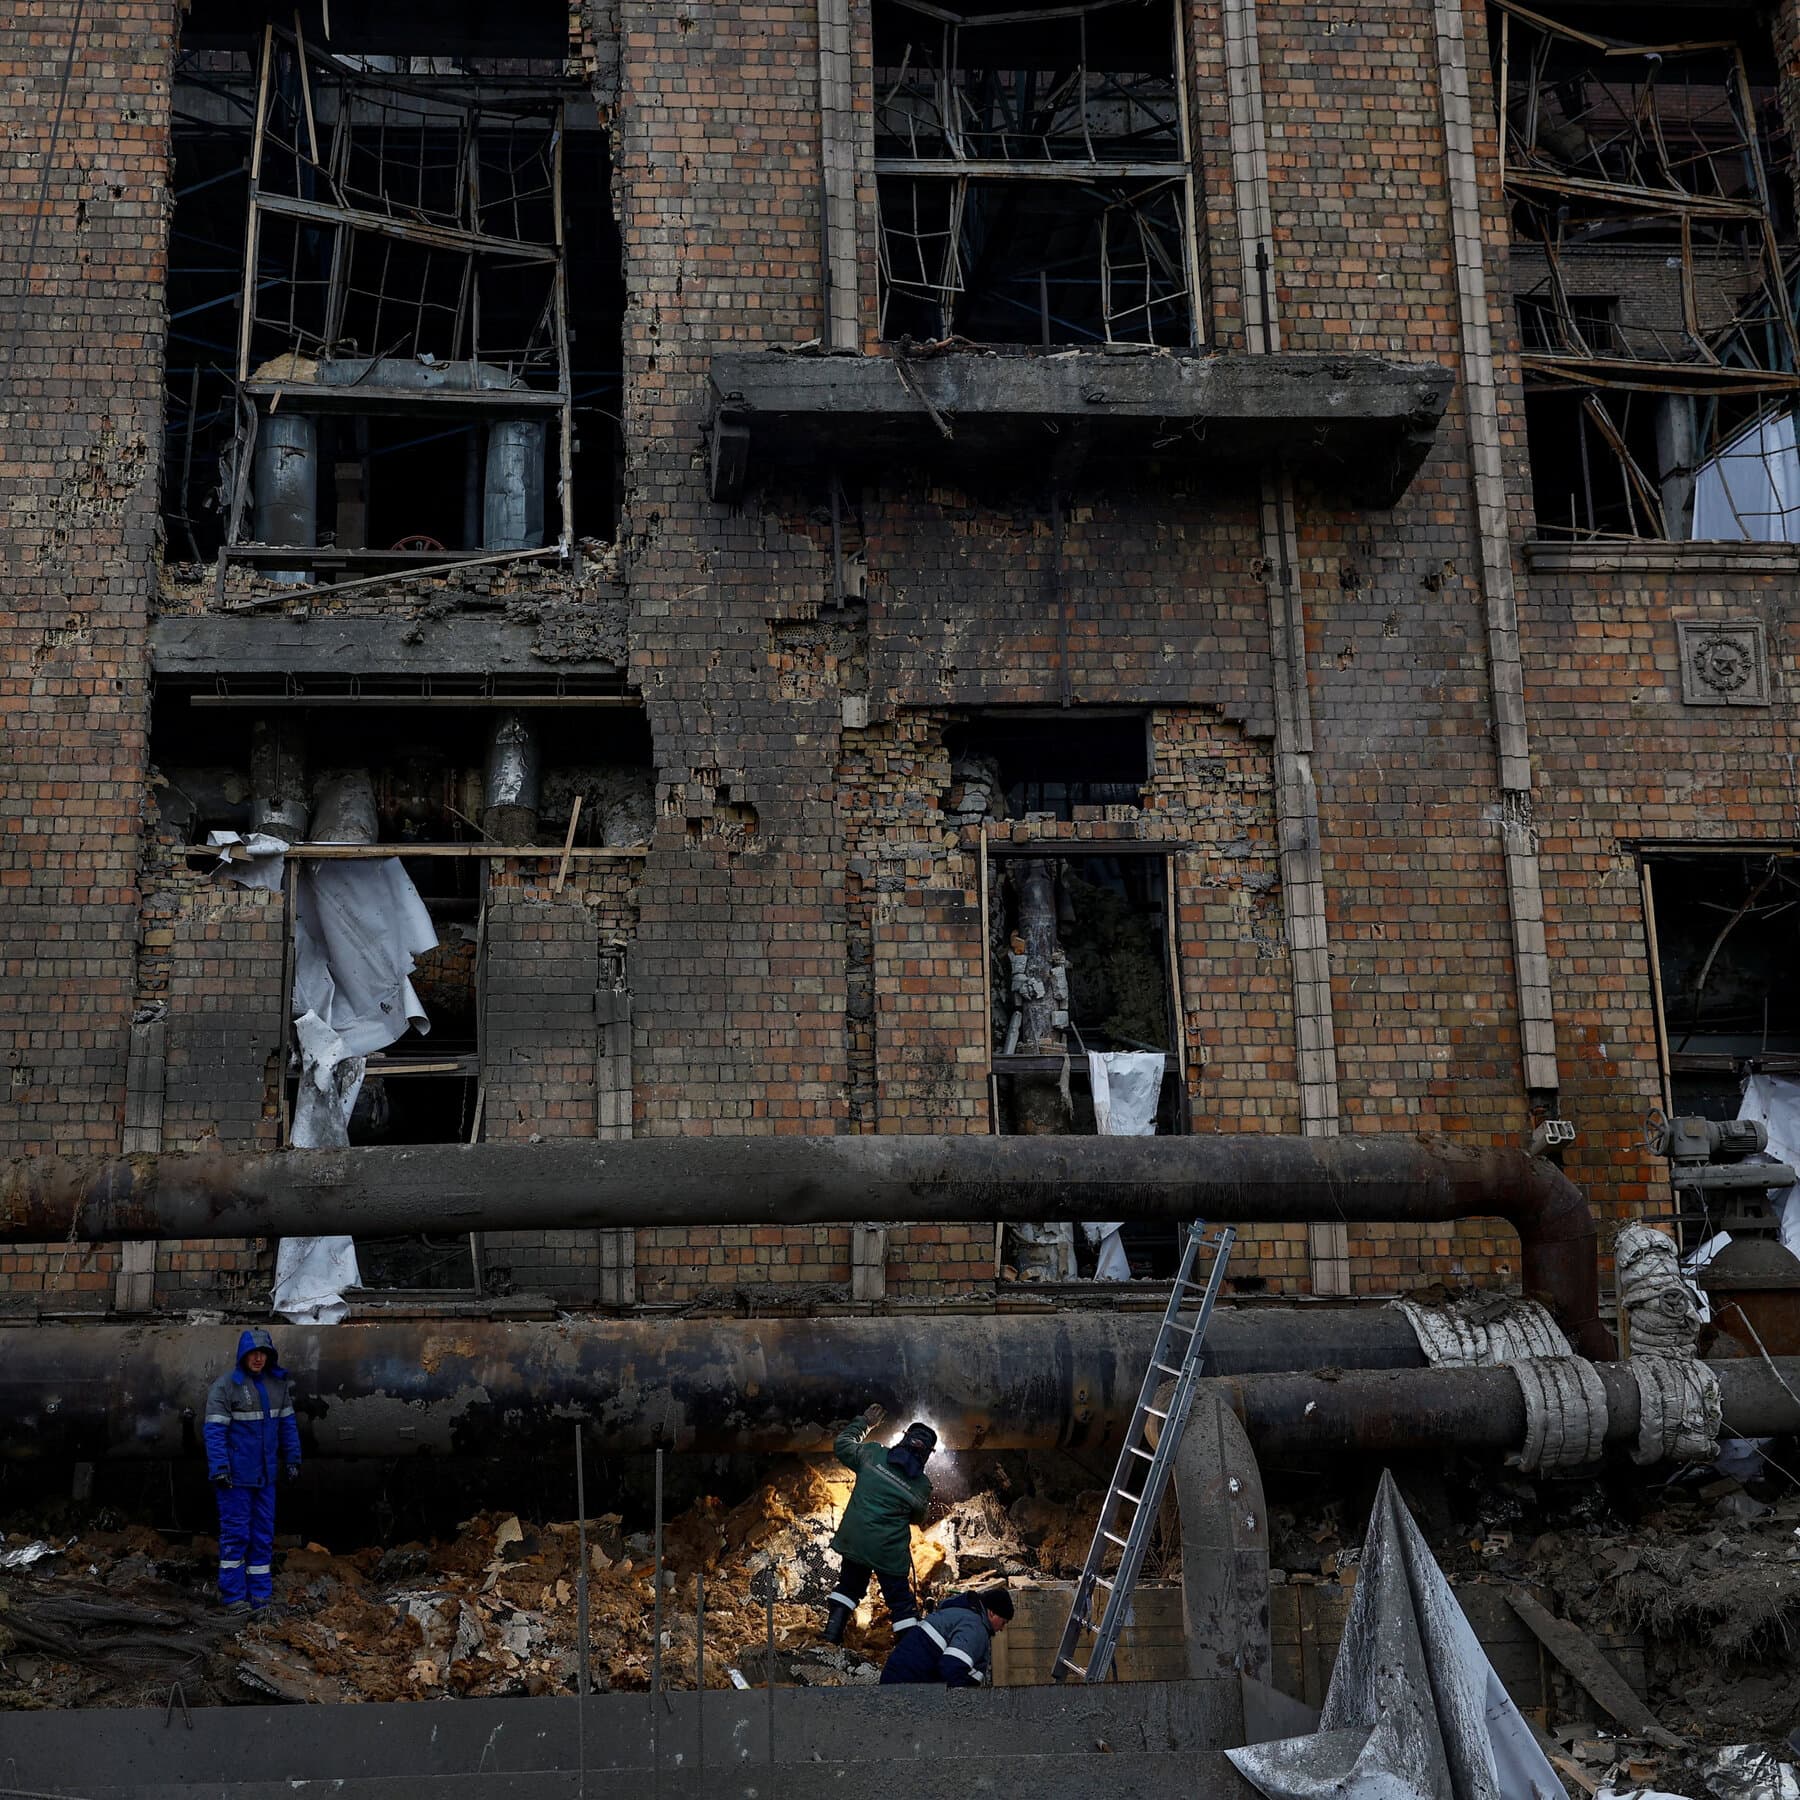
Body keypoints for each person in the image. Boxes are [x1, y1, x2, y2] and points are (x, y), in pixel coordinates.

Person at [203, 1327, 302, 1613]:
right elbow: (214, 1432)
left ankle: (260, 1598)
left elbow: (288, 1427)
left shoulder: (277, 1386)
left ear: (269, 1357)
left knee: (262, 1536)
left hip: (265, 1477)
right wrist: (220, 1468)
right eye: (253, 1353)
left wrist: (293, 1459)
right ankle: (234, 1598)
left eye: (263, 1354)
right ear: (243, 1355)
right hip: (235, 1480)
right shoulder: (225, 1387)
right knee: (236, 1536)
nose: (258, 1359)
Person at [821, 1404, 936, 1644]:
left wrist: (865, 1423)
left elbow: (842, 1445)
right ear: (927, 1454)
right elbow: (917, 1518)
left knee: (850, 1587)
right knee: (901, 1603)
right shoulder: (921, 1485)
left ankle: (830, 1638)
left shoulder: (873, 1454)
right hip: (888, 1551)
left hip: (856, 1540)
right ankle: (909, 1653)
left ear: (904, 1439)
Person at [880, 1586, 1014, 1687]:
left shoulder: (960, 1614)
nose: (1001, 1629)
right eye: (1003, 1622)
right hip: (907, 1683)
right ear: (991, 1613)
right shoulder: (976, 1628)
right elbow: (952, 1667)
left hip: (898, 1677)